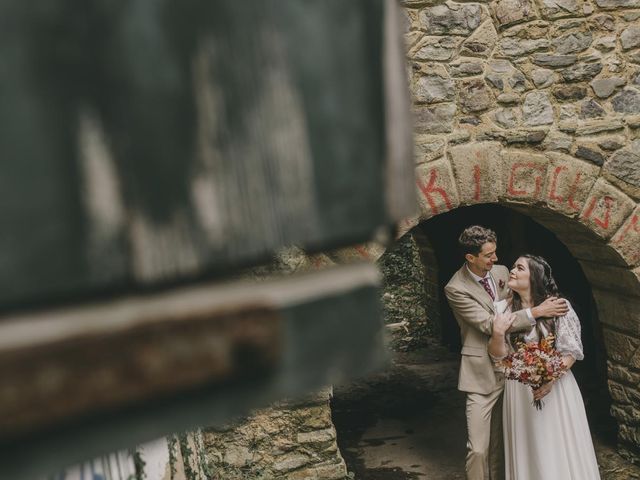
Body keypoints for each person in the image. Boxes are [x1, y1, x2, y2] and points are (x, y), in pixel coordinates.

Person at [444, 226, 568, 480]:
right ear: (470, 257)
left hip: (516, 369)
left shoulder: (500, 273)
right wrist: (537, 313)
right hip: (481, 372)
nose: (496, 259)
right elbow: (490, 324)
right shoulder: (455, 288)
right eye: (489, 255)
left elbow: (523, 297)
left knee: (505, 442)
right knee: (478, 448)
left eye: (495, 252)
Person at [489, 254, 601, 479]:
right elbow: (499, 356)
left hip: (557, 387)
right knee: (528, 443)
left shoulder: (560, 306)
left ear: (534, 277)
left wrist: (550, 379)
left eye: (519, 268)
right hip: (518, 389)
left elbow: (571, 352)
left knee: (555, 440)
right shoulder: (502, 308)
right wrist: (498, 333)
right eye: (513, 266)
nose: (512, 270)